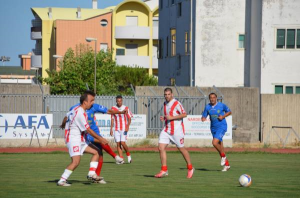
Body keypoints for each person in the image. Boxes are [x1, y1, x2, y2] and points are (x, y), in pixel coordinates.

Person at [57, 90, 109, 187]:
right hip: (74, 140)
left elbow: (66, 116)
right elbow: (88, 130)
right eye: (91, 101)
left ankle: (91, 174)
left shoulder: (76, 109)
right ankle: (62, 180)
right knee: (76, 162)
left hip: (80, 140)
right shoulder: (80, 113)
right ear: (85, 102)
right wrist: (101, 139)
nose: (93, 103)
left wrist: (63, 124)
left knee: (96, 152)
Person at [68, 101, 127, 183]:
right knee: (101, 141)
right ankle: (115, 157)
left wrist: (120, 112)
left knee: (100, 154)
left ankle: (96, 177)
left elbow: (109, 111)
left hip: (95, 131)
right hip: (86, 133)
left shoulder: (94, 106)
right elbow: (68, 117)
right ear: (85, 100)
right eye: (91, 100)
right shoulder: (75, 108)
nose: (93, 101)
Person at [155, 88, 194, 179]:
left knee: (181, 149)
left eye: (168, 94)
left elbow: (184, 114)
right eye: (165, 94)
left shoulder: (176, 103)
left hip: (177, 131)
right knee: (161, 147)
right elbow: (168, 116)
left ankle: (190, 168)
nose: (167, 96)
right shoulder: (165, 103)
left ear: (172, 94)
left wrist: (171, 117)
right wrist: (164, 118)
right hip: (167, 129)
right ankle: (164, 170)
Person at [201, 93, 232, 171]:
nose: (212, 99)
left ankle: (223, 157)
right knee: (220, 147)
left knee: (214, 143)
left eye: (213, 97)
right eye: (210, 98)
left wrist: (223, 116)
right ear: (209, 99)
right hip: (213, 128)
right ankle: (227, 165)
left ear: (216, 98)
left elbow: (229, 111)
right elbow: (204, 115)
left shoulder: (221, 105)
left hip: (222, 127)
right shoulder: (207, 107)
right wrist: (203, 118)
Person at [110, 95, 133, 164]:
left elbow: (129, 118)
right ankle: (121, 159)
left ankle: (128, 155)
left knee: (123, 143)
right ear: (116, 101)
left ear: (122, 101)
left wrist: (127, 126)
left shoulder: (126, 108)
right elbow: (112, 119)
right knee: (118, 143)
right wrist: (111, 129)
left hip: (123, 128)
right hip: (116, 128)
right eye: (118, 101)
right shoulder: (113, 108)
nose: (119, 102)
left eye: (120, 101)